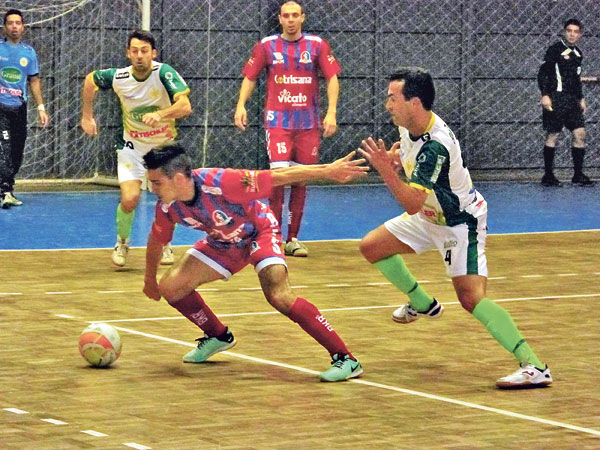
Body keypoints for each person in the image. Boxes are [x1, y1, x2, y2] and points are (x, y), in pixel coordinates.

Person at [358, 67, 552, 389]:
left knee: (471, 298)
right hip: (429, 214)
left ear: (414, 102)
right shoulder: (410, 127)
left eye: (392, 98)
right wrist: (396, 162)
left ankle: (534, 365)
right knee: (372, 246)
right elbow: (415, 181)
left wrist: (386, 172)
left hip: (459, 223)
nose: (387, 105)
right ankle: (423, 303)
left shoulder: (436, 145)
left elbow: (410, 203)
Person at [142, 144, 367, 382]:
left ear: (177, 178)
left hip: (259, 233)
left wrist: (326, 171)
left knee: (278, 295)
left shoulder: (224, 182)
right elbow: (156, 241)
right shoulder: (167, 208)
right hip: (224, 243)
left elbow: (279, 176)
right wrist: (149, 280)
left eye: (156, 182)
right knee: (170, 287)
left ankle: (345, 358)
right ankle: (218, 336)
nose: (151, 188)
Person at [234, 1, 341, 257]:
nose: (291, 19)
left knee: (301, 180)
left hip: (308, 124)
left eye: (295, 15)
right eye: (286, 16)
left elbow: (332, 78)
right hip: (278, 122)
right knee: (279, 179)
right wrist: (240, 105)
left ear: (302, 18)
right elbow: (250, 78)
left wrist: (331, 112)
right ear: (280, 19)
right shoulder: (266, 46)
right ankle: (273, 236)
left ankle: (293, 238)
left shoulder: (316, 45)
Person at [80, 29, 192, 266]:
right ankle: (122, 241)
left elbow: (185, 106)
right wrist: (87, 116)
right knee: (130, 199)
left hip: (162, 149)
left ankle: (165, 244)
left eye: (144, 51)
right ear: (128, 54)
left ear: (153, 53)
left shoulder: (164, 73)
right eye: (135, 51)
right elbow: (90, 80)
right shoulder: (119, 77)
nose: (139, 55)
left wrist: (161, 114)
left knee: (167, 200)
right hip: (131, 146)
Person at [0, 9, 50, 209]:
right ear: (4, 27)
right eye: (10, 23)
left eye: (17, 23)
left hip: (19, 108)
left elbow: (34, 81)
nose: (14, 26)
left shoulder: (29, 53)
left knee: (17, 151)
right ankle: (5, 191)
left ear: (23, 27)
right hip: (0, 108)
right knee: (4, 147)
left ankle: (7, 186)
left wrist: (41, 108)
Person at [537, 18, 594, 187]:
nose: (572, 34)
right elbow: (543, 74)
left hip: (571, 101)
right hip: (556, 98)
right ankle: (548, 175)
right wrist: (545, 95)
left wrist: (581, 98)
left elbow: (576, 80)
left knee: (580, 134)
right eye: (569, 30)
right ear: (564, 32)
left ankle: (578, 174)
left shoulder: (578, 54)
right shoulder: (554, 50)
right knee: (553, 134)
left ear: (580, 35)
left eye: (576, 32)